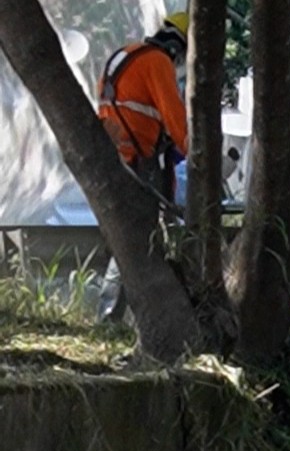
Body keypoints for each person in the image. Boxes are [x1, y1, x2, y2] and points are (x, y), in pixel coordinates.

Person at [96, 11, 189, 322]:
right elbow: (175, 118)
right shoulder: (157, 63)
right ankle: (112, 314)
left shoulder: (125, 55)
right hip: (137, 160)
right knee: (137, 237)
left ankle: (114, 315)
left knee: (123, 235)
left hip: (113, 157)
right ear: (179, 47)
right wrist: (194, 153)